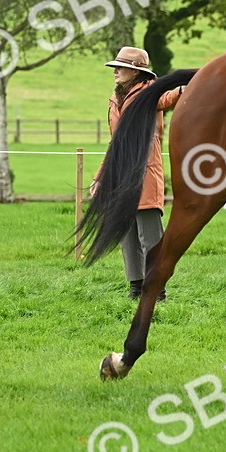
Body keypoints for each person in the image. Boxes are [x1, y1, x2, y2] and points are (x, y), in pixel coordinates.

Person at [93, 46, 183, 300]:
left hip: (144, 174)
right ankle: (135, 288)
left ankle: (158, 291)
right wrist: (101, 176)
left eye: (121, 67)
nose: (115, 72)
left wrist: (184, 89)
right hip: (120, 176)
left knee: (150, 236)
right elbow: (116, 142)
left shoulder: (149, 92)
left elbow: (167, 99)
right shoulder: (115, 97)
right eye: (115, 67)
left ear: (136, 72)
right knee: (127, 235)